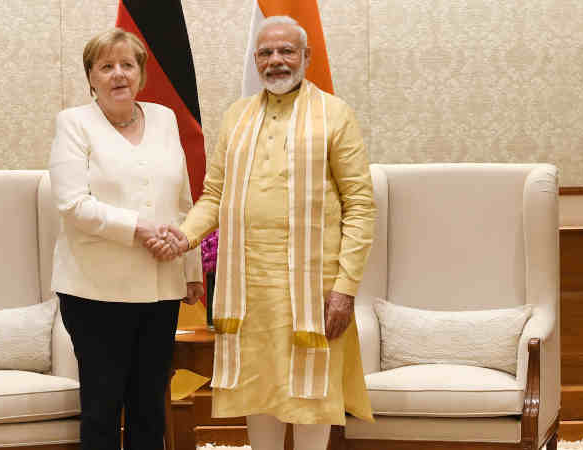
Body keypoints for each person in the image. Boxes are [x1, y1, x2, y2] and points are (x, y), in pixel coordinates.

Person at [153, 16, 376, 450]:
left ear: (306, 58)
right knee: (259, 394)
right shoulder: (238, 116)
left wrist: (345, 289)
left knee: (311, 395)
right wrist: (184, 237)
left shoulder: (335, 115)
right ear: (256, 61)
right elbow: (214, 195)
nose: (276, 61)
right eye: (266, 53)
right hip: (249, 287)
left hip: (315, 289)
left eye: (286, 51)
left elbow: (361, 207)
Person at [48, 27, 203, 450]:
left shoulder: (165, 119)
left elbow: (183, 201)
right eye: (107, 66)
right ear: (91, 77)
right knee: (102, 408)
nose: (118, 74)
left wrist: (190, 268)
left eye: (127, 65)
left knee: (150, 407)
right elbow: (72, 204)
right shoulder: (74, 123)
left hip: (161, 286)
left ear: (141, 75)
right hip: (95, 290)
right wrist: (140, 227)